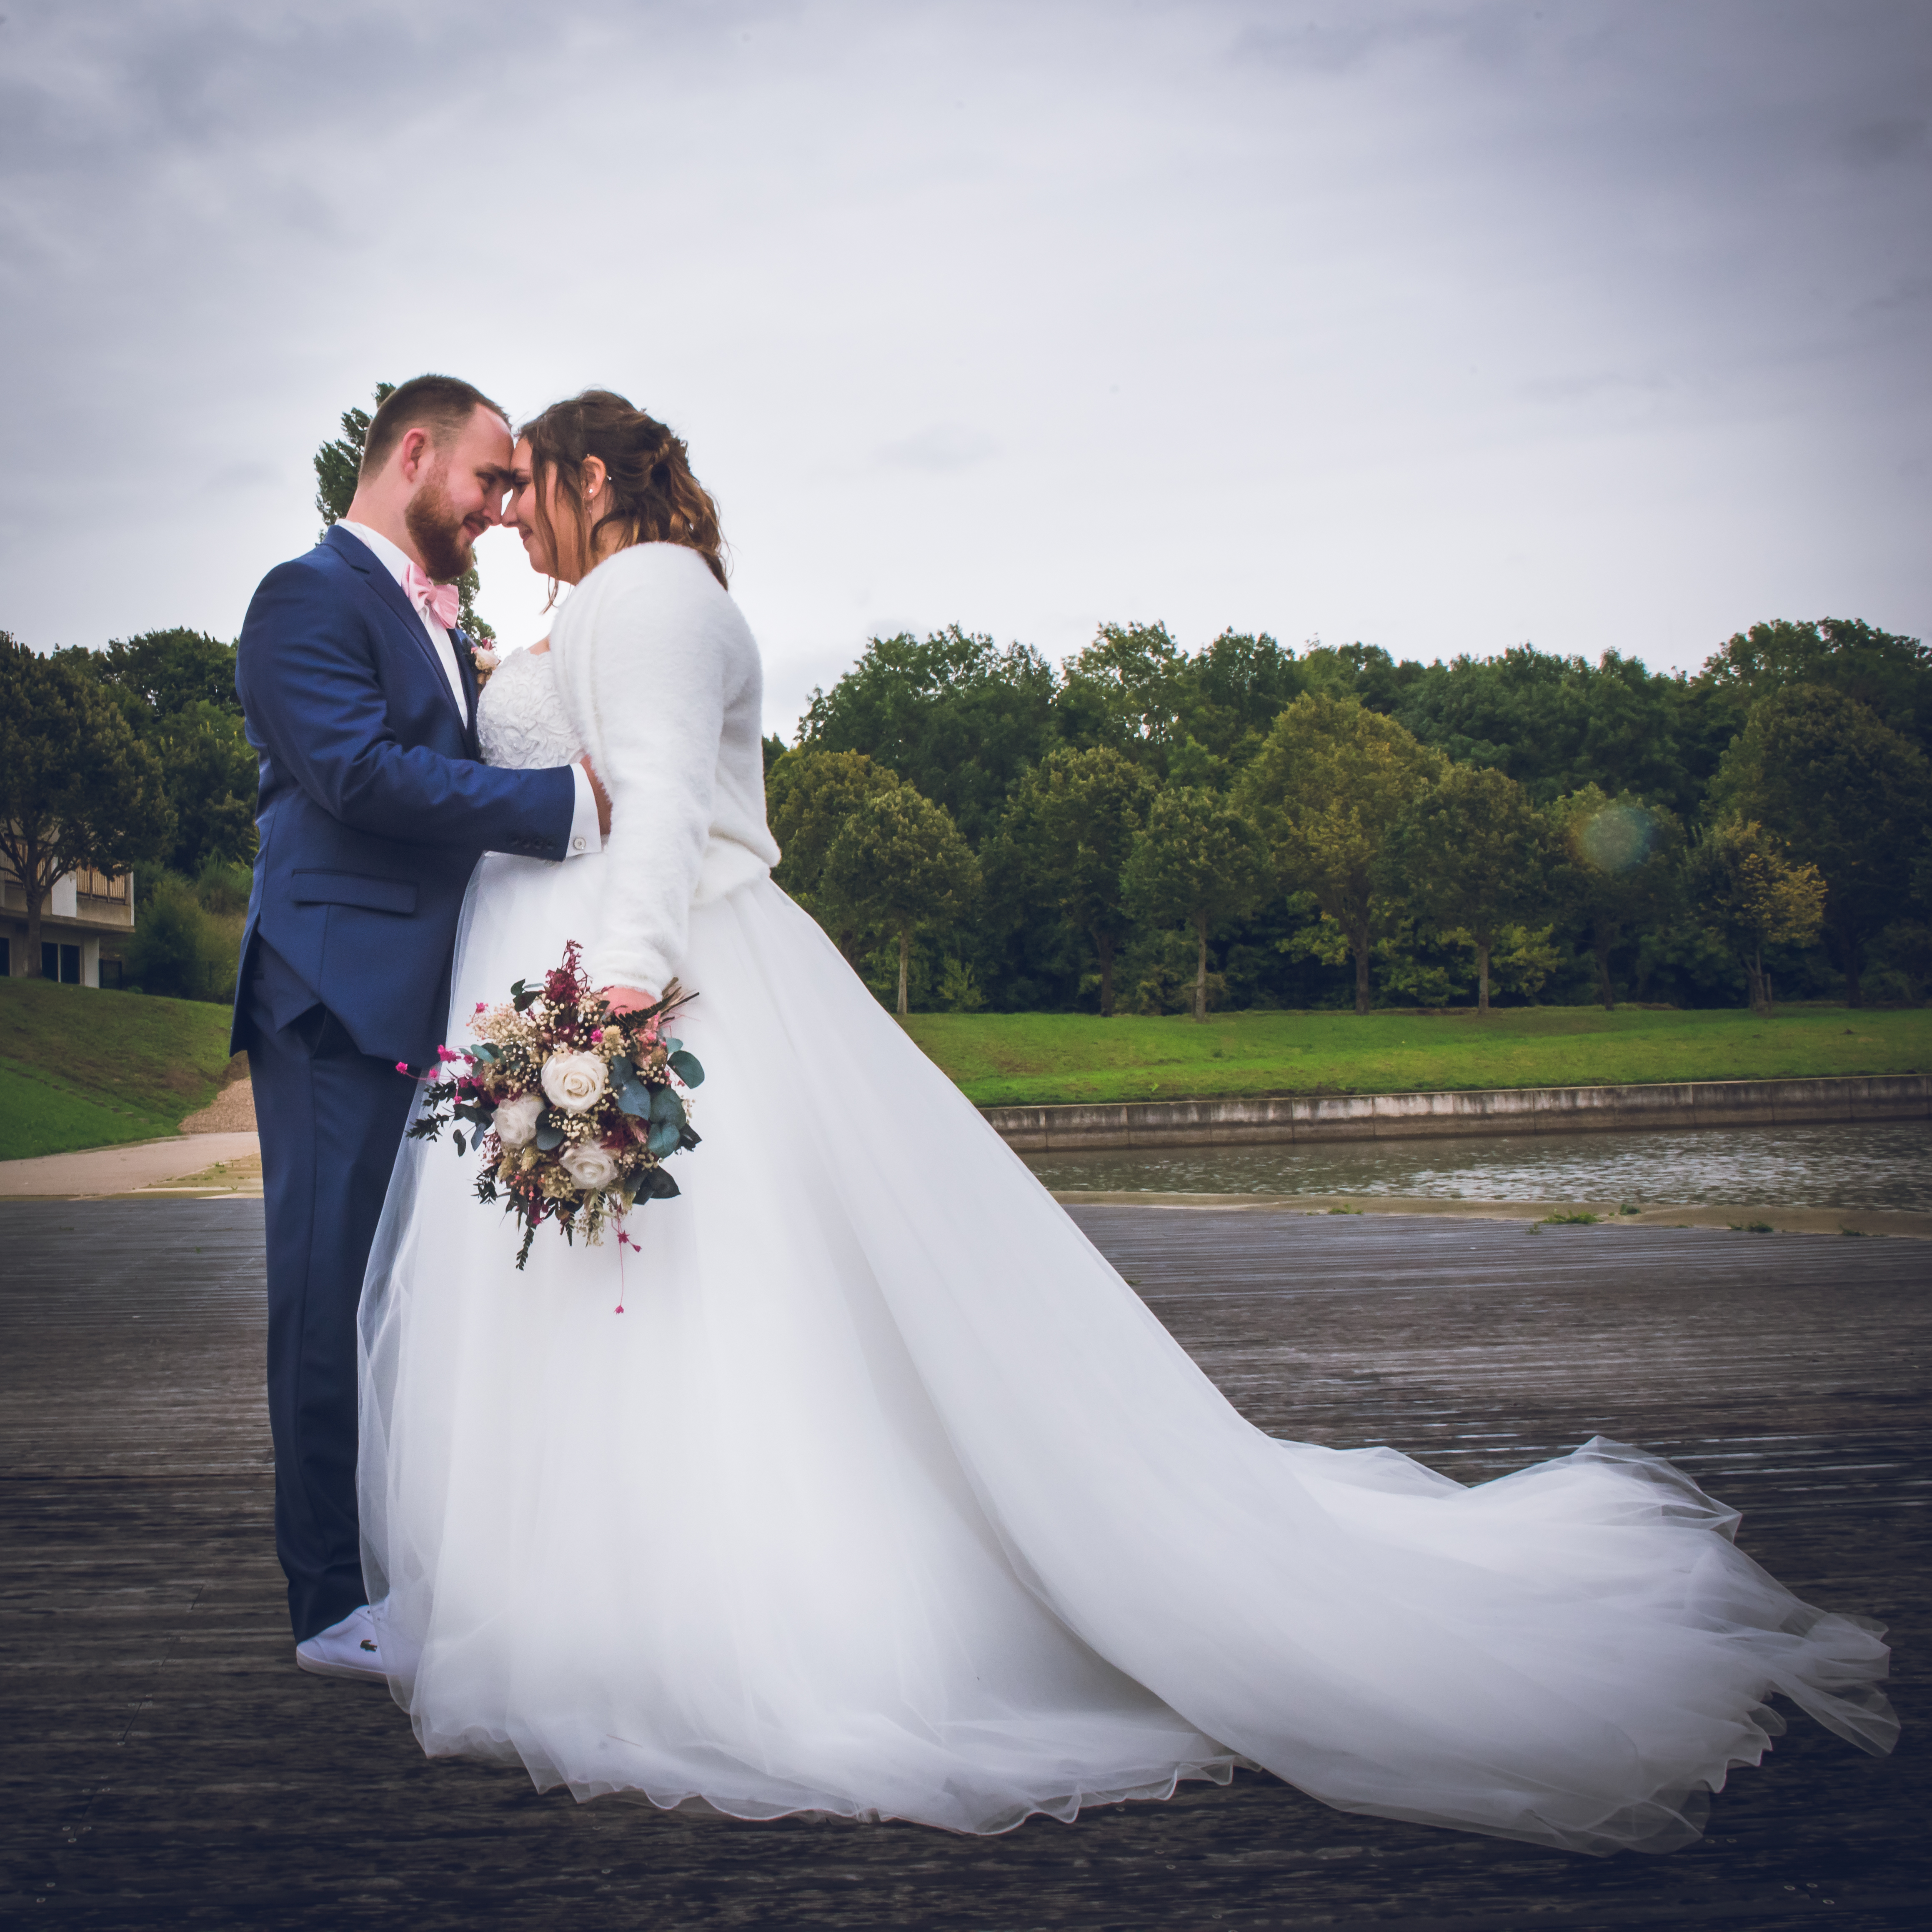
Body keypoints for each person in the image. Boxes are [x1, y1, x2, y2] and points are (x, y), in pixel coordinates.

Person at [357, 389, 1895, 1851]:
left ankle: (754, 1622)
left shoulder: (654, 597)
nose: (509, 518)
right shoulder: (599, 608)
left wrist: (612, 1004)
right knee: (639, 1316)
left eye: (528, 485)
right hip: (578, 1000)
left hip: (664, 1000)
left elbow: (667, 800)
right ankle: (614, 1596)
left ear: (597, 480)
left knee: (730, 1320)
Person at [233, 375, 608, 1678]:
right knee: (325, 1294)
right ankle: (329, 1603)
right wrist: (563, 805)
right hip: (333, 994)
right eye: (489, 479)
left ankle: (412, 1557)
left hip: (431, 1003)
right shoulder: (305, 598)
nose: (503, 508)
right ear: (413, 451)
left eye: (516, 487)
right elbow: (355, 774)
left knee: (407, 1290)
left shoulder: (441, 620)